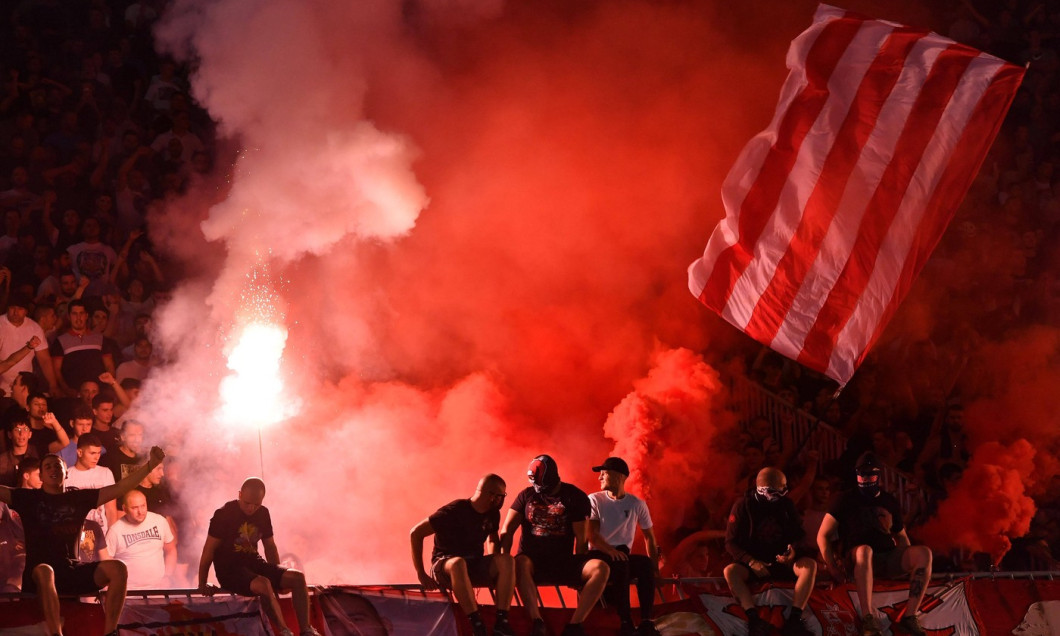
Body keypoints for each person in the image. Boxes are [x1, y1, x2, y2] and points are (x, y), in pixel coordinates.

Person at [0, 446, 166, 636]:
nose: (53, 469)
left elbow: (119, 488)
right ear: (42, 476)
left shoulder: (78, 498)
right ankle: (56, 634)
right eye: (48, 467)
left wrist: (150, 465)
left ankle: (110, 632)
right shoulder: (27, 498)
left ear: (66, 472)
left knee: (118, 568)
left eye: (57, 466)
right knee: (46, 570)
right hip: (38, 576)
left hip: (71, 572)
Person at [817, 453, 932, 636]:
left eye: (869, 474)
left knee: (924, 553)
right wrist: (832, 566)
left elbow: (901, 537)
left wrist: (908, 561)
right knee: (865, 551)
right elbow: (823, 535)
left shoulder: (888, 501)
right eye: (861, 474)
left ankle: (910, 616)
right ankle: (867, 618)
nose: (865, 479)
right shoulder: (844, 499)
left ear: (878, 475)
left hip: (886, 556)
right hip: (856, 557)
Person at [499, 455, 610, 636]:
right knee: (519, 563)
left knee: (601, 568)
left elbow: (581, 539)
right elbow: (506, 531)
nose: (540, 491)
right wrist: (502, 562)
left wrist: (579, 575)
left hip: (562, 561)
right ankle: (537, 622)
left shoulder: (574, 496)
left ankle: (575, 625)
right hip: (532, 562)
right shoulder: (526, 495)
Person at [197, 477, 322, 636]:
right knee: (263, 583)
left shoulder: (263, 513)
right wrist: (202, 583)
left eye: (256, 505)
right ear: (240, 494)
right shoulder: (223, 514)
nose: (251, 508)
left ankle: (306, 630)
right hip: (230, 570)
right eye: (247, 503)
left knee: (297, 577)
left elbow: (270, 546)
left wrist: (277, 574)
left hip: (255, 564)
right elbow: (209, 550)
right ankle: (284, 631)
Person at [411, 474, 516, 636]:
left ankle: (501, 622)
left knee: (507, 560)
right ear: (492, 496)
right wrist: (421, 573)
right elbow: (416, 533)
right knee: (458, 563)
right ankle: (477, 624)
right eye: (501, 496)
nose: (501, 500)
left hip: (473, 564)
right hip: (445, 564)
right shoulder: (454, 511)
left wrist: (495, 570)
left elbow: (493, 540)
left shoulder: (493, 514)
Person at [724, 467, 816, 636]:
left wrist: (793, 551)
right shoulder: (742, 506)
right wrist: (751, 561)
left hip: (783, 562)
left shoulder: (787, 505)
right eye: (775, 492)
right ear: (761, 490)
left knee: (810, 565)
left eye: (783, 491)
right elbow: (730, 543)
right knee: (730, 571)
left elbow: (801, 535)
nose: (780, 496)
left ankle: (795, 619)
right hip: (754, 564)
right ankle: (753, 618)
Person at [587, 457, 662, 636]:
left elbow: (650, 538)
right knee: (621, 563)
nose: (600, 478)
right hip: (600, 554)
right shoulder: (595, 500)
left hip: (621, 554)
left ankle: (646, 621)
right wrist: (610, 551)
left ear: (619, 476)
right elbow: (592, 535)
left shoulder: (636, 504)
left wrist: (655, 569)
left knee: (644, 564)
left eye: (604, 474)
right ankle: (626, 621)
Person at [106, 489, 176, 589]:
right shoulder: (115, 531)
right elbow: (106, 563)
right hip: (129, 592)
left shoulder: (159, 521)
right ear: (125, 509)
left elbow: (171, 550)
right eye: (135, 508)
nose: (140, 512)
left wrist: (168, 577)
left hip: (158, 589)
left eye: (143, 506)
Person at [0, 291, 58, 394]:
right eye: (13, 308)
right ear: (7, 308)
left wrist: (53, 385)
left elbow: (44, 360)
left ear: (26, 311)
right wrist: (29, 347)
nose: (16, 312)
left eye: (20, 309)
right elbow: (8, 362)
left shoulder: (34, 328)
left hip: (25, 388)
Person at [64, 433, 117, 534]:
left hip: (100, 535)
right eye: (92, 453)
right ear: (79, 452)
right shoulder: (66, 476)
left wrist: (111, 537)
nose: (97, 457)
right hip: (75, 535)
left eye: (98, 453)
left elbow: (111, 509)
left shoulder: (105, 473)